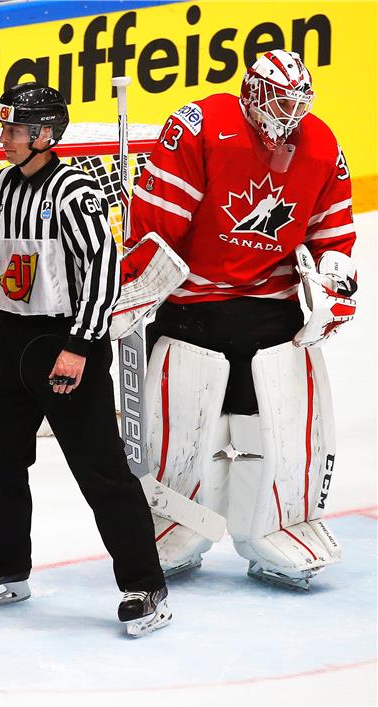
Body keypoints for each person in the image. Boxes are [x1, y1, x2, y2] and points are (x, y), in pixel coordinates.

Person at [125, 49, 357, 589]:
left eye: (299, 101)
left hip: (271, 309)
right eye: (279, 99)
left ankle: (276, 526)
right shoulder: (201, 126)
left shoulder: (321, 145)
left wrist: (332, 289)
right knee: (185, 427)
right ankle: (172, 521)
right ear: (252, 92)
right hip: (190, 307)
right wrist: (139, 288)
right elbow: (156, 226)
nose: (290, 112)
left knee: (277, 426)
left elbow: (332, 234)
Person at [0, 82, 170, 637]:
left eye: (13, 129)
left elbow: (102, 269)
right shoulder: (0, 186)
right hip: (6, 342)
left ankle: (145, 585)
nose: (3, 138)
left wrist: (79, 346)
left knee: (99, 469)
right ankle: (6, 566)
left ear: (44, 135)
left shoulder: (77, 192)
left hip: (62, 343)